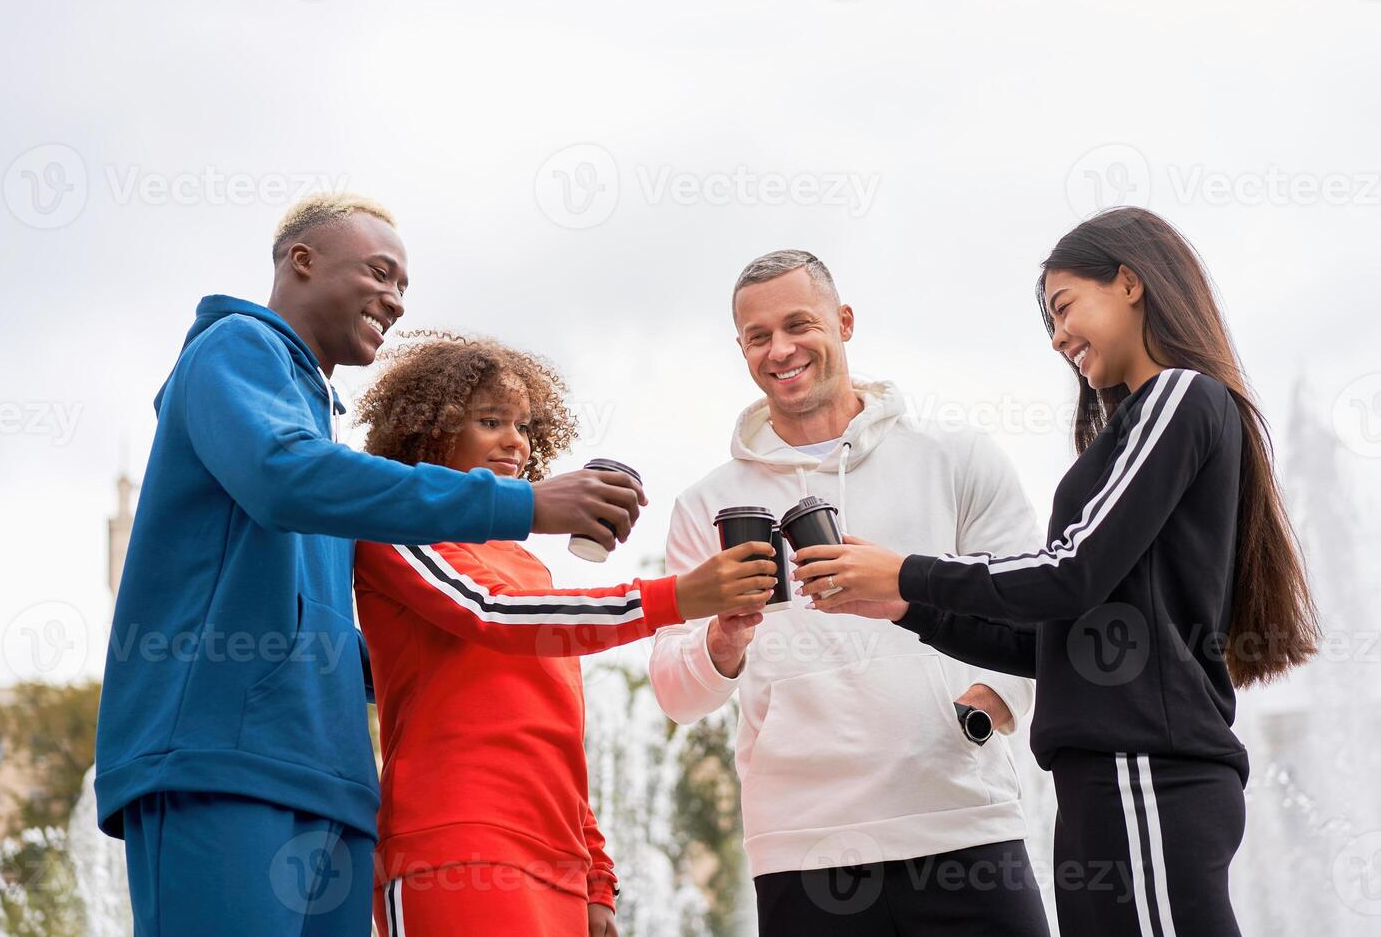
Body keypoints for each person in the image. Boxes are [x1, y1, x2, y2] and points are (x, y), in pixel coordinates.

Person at [94, 194, 651, 937]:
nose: (393, 300)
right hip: (219, 765)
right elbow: (281, 477)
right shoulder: (234, 348)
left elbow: (327, 632)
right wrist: (526, 506)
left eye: (404, 287)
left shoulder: (323, 439)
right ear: (303, 260)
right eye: (380, 274)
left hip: (336, 785)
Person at [794, 207, 1321, 937]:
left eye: (1065, 306)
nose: (1057, 336)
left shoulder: (1179, 397)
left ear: (1130, 282)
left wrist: (908, 570)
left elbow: (1068, 573)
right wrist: (904, 607)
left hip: (1147, 772)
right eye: (1050, 321)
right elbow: (1055, 639)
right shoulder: (1128, 430)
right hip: (1107, 781)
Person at [649, 250, 1051, 936]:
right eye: (757, 336)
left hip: (962, 825)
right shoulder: (705, 505)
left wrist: (983, 711)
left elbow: (1034, 613)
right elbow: (675, 695)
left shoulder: (957, 457)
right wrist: (724, 641)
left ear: (844, 321)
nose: (779, 349)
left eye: (798, 324)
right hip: (801, 847)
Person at [350, 333, 778, 936]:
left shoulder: (531, 569)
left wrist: (596, 874)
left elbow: (557, 726)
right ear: (430, 430)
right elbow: (492, 612)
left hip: (557, 866)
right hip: (453, 842)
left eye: (524, 426)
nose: (515, 442)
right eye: (489, 420)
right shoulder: (394, 525)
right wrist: (675, 597)